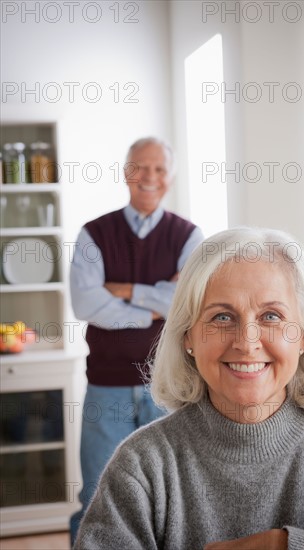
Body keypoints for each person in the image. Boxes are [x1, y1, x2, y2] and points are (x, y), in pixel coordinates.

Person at [74, 226, 304, 550]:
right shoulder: (141, 465)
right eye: (222, 317)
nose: (246, 343)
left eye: (271, 315)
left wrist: (281, 546)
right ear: (188, 336)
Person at [69, 137, 204, 544]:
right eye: (140, 167)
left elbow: (187, 302)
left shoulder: (189, 236)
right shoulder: (94, 233)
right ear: (126, 172)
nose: (149, 177)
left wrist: (126, 290)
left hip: (168, 384)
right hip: (105, 387)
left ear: (171, 177)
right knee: (95, 492)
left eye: (159, 169)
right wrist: (157, 303)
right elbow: (87, 304)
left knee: (171, 493)